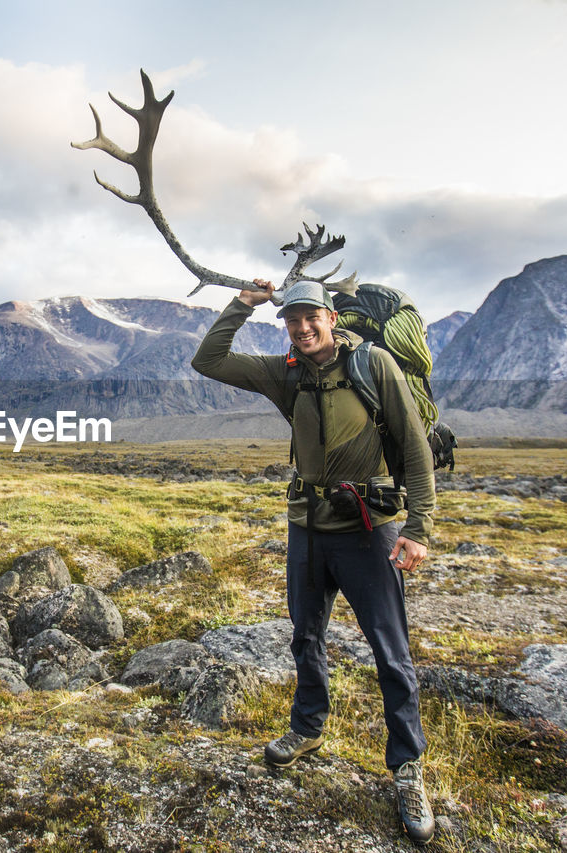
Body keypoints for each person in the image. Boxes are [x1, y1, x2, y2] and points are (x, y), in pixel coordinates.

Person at [190, 278, 437, 845]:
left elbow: (415, 446)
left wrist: (419, 527)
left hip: (369, 530)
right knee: (305, 635)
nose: (301, 328)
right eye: (292, 320)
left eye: (310, 318)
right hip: (306, 529)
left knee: (390, 652)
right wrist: (242, 305)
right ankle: (307, 728)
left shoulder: (374, 366)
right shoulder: (288, 373)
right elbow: (209, 360)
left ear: (330, 317)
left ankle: (407, 767)